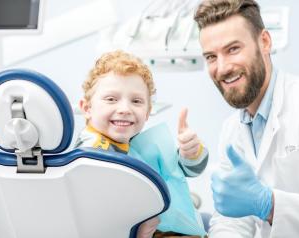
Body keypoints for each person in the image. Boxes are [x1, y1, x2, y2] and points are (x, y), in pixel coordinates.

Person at [193, 0, 299, 237]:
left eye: (233, 49)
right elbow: (232, 221)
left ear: (264, 42)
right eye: (211, 57)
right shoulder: (231, 130)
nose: (222, 67)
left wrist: (269, 204)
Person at [75, 50, 209, 237]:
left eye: (136, 101)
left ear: (147, 112)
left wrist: (191, 153)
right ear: (87, 108)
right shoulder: (95, 152)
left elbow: (183, 170)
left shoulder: (133, 146)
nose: (124, 109)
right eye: (111, 99)